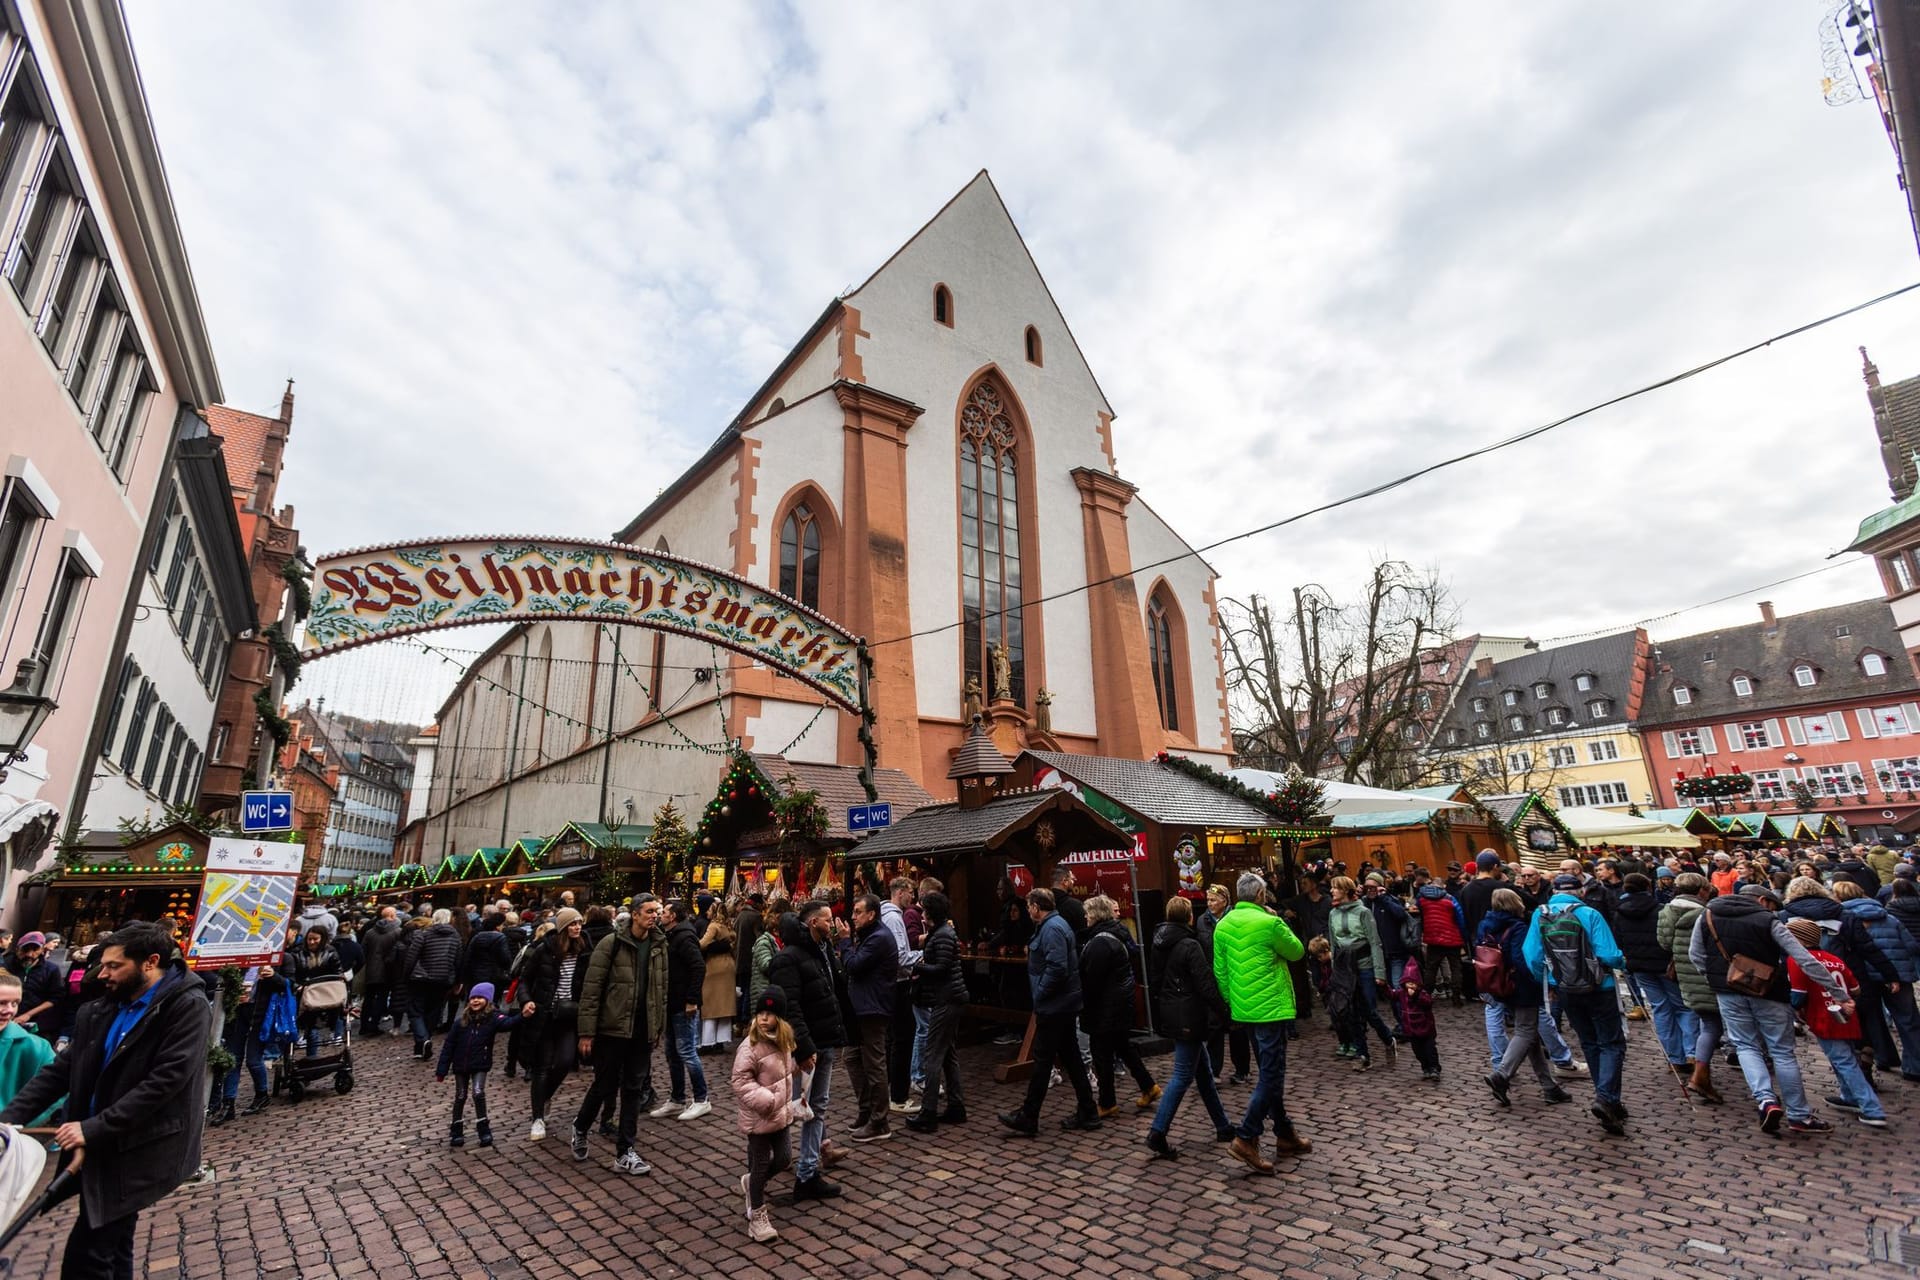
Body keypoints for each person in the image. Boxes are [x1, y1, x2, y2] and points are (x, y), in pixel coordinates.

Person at [2, 923, 210, 1280]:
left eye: (115, 965)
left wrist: (94, 1127)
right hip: (100, 1142)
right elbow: (61, 1070)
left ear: (150, 962)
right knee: (113, 1243)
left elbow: (165, 1082)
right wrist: (9, 1119)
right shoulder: (104, 1007)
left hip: (139, 1146)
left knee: (88, 1254)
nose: (103, 973)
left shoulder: (187, 1006)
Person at [1689, 881, 1848, 1134]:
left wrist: (1716, 979)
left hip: (1728, 990)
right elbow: (1804, 957)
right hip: (1769, 990)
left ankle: (1765, 1099)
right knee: (1782, 1052)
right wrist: (1839, 993)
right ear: (1762, 901)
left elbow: (1695, 954)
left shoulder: (1707, 914)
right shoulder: (1768, 920)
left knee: (1744, 1045)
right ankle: (1799, 1115)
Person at [1213, 871, 1308, 1175]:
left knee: (1271, 1071)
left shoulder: (1223, 925)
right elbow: (1296, 951)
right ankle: (1247, 1135)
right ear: (1259, 896)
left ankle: (1284, 1133)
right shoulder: (1270, 923)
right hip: (1271, 1008)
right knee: (1271, 1073)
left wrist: (1234, 1002)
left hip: (1245, 1008)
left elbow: (1221, 972)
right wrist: (1278, 919)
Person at [1522, 873, 1629, 1135]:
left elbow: (1532, 956)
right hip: (1599, 986)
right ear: (1580, 890)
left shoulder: (1540, 915)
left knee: (1589, 1042)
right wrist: (1623, 962)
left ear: (1554, 891)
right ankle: (1606, 1098)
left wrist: (1549, 980)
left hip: (1566, 988)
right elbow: (1608, 954)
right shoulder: (1589, 913)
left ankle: (1606, 1096)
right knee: (1612, 1043)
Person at [574, 896, 669, 1170]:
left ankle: (626, 1150)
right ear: (635, 915)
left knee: (633, 1088)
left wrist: (658, 1026)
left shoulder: (659, 945)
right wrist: (586, 1032)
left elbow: (661, 989)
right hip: (612, 1028)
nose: (655, 916)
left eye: (657, 911)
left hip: (642, 1030)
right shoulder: (611, 944)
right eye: (650, 911)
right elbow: (592, 990)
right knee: (604, 1085)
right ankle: (580, 1127)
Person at [999, 888, 1099, 1136]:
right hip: (1060, 1004)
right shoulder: (1052, 925)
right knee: (1072, 1059)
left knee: (1043, 1060)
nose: (1027, 910)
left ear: (1036, 907)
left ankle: (1029, 1115)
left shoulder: (1052, 928)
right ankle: (1088, 1111)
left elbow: (1057, 967)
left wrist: (1040, 992)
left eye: (1029, 905)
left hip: (1055, 1005)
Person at [768, 903, 849, 1200]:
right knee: (789, 1108)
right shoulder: (788, 958)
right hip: (808, 1045)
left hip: (825, 1039)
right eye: (829, 920)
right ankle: (767, 1167)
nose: (833, 923)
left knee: (817, 1106)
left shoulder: (822, 951)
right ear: (814, 922)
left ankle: (808, 1172)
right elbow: (791, 1008)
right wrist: (803, 1047)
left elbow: (837, 987)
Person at [1143, 896, 1234, 1158]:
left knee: (1203, 1073)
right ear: (1189, 917)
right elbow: (1206, 985)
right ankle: (1157, 1132)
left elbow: (1156, 980)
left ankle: (1223, 1125)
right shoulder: (1190, 945)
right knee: (1183, 1075)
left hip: (1172, 1012)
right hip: (1189, 1016)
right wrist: (1225, 1013)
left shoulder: (1158, 942)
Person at [1781, 918, 1885, 1128]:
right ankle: (1849, 1096)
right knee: (1845, 1057)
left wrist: (1795, 1009)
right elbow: (1855, 988)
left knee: (1843, 1061)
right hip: (1846, 1014)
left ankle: (1871, 1107)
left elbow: (1798, 995)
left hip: (1823, 1015)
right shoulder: (1834, 958)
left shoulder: (1798, 959)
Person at [1477, 888, 1572, 1108]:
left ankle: (1549, 1087)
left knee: (1530, 1037)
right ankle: (1502, 1074)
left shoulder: (1486, 925)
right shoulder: (1518, 927)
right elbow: (1523, 959)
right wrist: (1541, 981)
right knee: (1526, 1031)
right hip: (1521, 985)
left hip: (1499, 984)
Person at [1079, 894, 1158, 1117]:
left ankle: (1107, 1102)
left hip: (1106, 1007)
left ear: (1095, 915)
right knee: (1124, 1047)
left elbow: (1092, 979)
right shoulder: (1116, 933)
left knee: (1102, 1053)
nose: (1085, 917)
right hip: (1119, 1002)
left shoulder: (1100, 942)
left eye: (1087, 913)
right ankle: (1148, 1086)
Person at [1834, 879, 1920, 1079]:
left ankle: (1884, 1057)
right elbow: (1912, 946)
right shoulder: (1888, 917)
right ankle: (1915, 1066)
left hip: (1865, 976)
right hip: (1897, 974)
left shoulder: (1843, 921)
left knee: (1874, 1020)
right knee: (1908, 1019)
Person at [1613, 872, 1695, 1075]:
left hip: (1639, 966)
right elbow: (1668, 938)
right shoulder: (1660, 909)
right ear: (1648, 887)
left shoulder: (1619, 912)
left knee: (1660, 1008)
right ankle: (1691, 1053)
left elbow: (1619, 941)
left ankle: (1674, 1057)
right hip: (1663, 965)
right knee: (1682, 1008)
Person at [733, 987, 797, 1242]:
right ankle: (757, 1215)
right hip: (759, 1116)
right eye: (760, 1012)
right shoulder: (750, 1047)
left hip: (780, 1114)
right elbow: (740, 1081)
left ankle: (751, 1182)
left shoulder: (784, 1043)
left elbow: (784, 1072)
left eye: (769, 1013)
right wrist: (766, 1099)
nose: (763, 1018)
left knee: (783, 1158)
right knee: (760, 1163)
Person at [436, 983, 534, 1147]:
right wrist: (442, 1069)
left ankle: (483, 1129)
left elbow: (508, 1023)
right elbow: (449, 1046)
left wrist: (523, 1016)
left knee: (478, 1092)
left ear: (487, 1000)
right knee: (460, 1096)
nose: (475, 1001)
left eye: (480, 998)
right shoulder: (460, 1022)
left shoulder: (493, 1018)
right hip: (461, 1065)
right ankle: (456, 1130)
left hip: (480, 1063)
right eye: (473, 998)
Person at [524, 907, 591, 1140]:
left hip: (570, 1016)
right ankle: (538, 1118)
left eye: (579, 923)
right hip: (545, 1014)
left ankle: (544, 1098)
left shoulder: (584, 950)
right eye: (572, 924)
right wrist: (527, 1001)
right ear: (563, 927)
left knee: (564, 1062)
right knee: (542, 1067)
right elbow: (525, 979)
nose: (577, 927)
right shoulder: (544, 950)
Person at [1658, 873, 1724, 1103]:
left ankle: (1697, 1069)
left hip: (1685, 974)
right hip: (1713, 975)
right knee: (1730, 1028)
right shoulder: (1708, 913)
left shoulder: (1667, 910)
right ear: (1702, 891)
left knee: (1706, 1023)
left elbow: (1664, 943)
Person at [906, 890, 967, 1133]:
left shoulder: (941, 935)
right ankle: (956, 1105)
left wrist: (920, 966)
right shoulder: (941, 932)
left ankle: (928, 1112)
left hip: (947, 998)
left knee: (933, 1053)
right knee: (948, 1052)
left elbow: (941, 967)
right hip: (949, 996)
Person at [839, 892, 898, 1142]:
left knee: (874, 1063)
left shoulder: (879, 938)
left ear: (872, 914)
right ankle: (867, 1110)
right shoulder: (869, 935)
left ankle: (879, 1121)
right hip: (861, 1007)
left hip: (873, 1008)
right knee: (851, 1056)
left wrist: (844, 942)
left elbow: (854, 965)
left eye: (858, 912)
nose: (853, 917)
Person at [1326, 876, 1394, 1067]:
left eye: (1335, 888)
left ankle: (1387, 1038)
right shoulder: (1333, 914)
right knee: (1351, 1011)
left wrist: (1379, 972)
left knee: (1369, 1010)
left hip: (1364, 965)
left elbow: (1374, 942)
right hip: (1345, 969)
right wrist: (1335, 972)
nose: (1332, 891)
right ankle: (1363, 1055)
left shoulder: (1363, 912)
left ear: (1346, 890)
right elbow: (1334, 945)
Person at [662, 899, 713, 1122]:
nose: (660, 915)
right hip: (673, 1003)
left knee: (687, 1052)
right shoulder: (671, 935)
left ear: (673, 916)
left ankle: (702, 1099)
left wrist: (692, 999)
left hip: (684, 1004)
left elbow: (698, 966)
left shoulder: (684, 937)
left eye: (663, 911)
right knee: (672, 1052)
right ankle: (677, 1098)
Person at [1199, 884, 1250, 1085]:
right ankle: (1214, 1071)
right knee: (1214, 1027)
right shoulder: (1203, 922)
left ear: (1224, 900)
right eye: (1208, 900)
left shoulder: (1235, 918)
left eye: (1213, 900)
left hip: (1234, 976)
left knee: (1237, 1027)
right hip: (1213, 979)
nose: (1210, 904)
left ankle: (1242, 1069)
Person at [880, 877, 922, 1113]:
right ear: (901, 892)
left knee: (893, 1039)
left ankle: (891, 1090)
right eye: (911, 892)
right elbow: (901, 957)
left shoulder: (885, 914)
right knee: (903, 1040)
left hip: (889, 984)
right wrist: (924, 955)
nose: (913, 898)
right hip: (899, 983)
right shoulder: (895, 918)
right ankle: (898, 1096)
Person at [405, 909, 463, 1059]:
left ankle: (423, 1039)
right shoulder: (455, 936)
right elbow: (458, 960)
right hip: (443, 979)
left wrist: (407, 975)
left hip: (421, 978)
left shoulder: (424, 934)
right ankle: (423, 1045)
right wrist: (457, 980)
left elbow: (412, 957)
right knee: (433, 1012)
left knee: (416, 1011)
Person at [0, 973, 54, 1117]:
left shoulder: (36, 1047)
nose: (10, 1010)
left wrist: (13, 1126)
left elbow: (54, 1094)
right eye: (2, 1003)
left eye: (15, 1003)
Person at [1414, 878, 1468, 1005]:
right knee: (1455, 968)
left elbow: (1419, 914)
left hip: (1432, 938)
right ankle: (1456, 997)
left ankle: (1426, 996)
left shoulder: (1421, 899)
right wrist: (1463, 936)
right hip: (1452, 938)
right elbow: (1460, 918)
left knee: (1431, 968)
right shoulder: (1450, 899)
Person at [15, 932, 67, 1047]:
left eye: (35, 950)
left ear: (42, 949)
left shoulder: (51, 969)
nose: (29, 954)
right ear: (18, 949)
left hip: (37, 1023)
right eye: (25, 949)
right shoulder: (8, 965)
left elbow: (56, 997)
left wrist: (28, 1014)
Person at [1392, 955, 1440, 1081]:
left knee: (1430, 1050)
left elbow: (1427, 1003)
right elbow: (1392, 995)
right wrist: (1384, 986)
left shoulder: (1422, 995)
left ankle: (1434, 1068)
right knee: (1418, 1051)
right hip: (1412, 1031)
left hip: (1426, 1029)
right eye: (1408, 983)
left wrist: (1415, 996)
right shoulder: (1402, 994)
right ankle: (1425, 1068)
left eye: (1413, 983)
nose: (1410, 987)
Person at [358, 907, 404, 1036]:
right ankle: (373, 1025)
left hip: (371, 969)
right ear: (392, 915)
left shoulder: (370, 932)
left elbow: (363, 951)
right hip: (388, 970)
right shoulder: (398, 932)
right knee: (382, 998)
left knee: (369, 998)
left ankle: (364, 1025)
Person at [698, 902, 737, 1052]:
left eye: (708, 909)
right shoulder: (728, 926)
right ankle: (721, 1040)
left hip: (714, 967)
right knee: (725, 1006)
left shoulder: (713, 926)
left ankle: (708, 1042)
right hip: (728, 966)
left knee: (711, 1006)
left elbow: (702, 944)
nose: (707, 911)